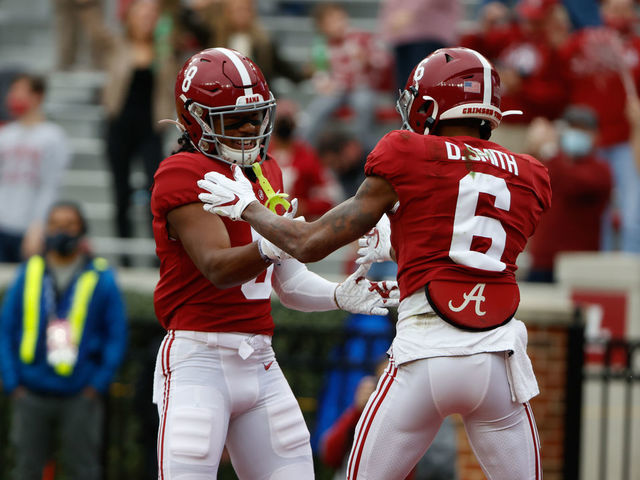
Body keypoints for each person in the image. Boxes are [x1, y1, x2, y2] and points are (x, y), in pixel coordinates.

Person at [199, 46, 552, 479]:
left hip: (426, 356)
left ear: (430, 104)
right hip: (499, 364)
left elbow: (308, 244)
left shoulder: (408, 152)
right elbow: (468, 248)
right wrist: (400, 239)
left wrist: (249, 207)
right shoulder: (530, 172)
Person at [150, 47, 399, 479]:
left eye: (255, 117)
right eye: (234, 119)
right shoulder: (182, 171)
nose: (249, 129)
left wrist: (338, 295)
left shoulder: (265, 174)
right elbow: (217, 267)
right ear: (196, 118)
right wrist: (273, 245)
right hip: (198, 359)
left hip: (259, 358)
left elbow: (286, 282)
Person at [0, 201, 128, 480]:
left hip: (80, 394)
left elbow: (116, 336)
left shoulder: (101, 276)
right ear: (46, 230)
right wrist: (13, 383)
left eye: (69, 225)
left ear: (81, 229)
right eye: (55, 224)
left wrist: (97, 384)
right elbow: (6, 328)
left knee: (84, 470)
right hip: (30, 392)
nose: (62, 231)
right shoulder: (29, 272)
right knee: (25, 470)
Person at [559, 0, 640, 252]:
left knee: (632, 214)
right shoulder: (580, 42)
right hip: (589, 142)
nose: (618, 16)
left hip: (626, 141)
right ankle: (596, 268)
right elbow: (559, 73)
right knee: (595, 212)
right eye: (613, 10)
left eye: (624, 10)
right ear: (602, 11)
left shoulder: (636, 46)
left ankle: (631, 270)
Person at [102, 0, 176, 256]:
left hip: (150, 130)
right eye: (141, 14)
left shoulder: (165, 50)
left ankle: (159, 254)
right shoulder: (116, 45)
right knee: (121, 192)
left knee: (155, 192)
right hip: (118, 126)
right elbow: (93, 29)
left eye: (152, 14)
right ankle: (125, 256)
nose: (147, 19)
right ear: (129, 18)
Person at [526, 107, 612, 282]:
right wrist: (533, 149)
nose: (577, 134)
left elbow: (573, 181)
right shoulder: (552, 162)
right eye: (572, 128)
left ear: (596, 136)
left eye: (583, 129)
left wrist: (549, 149)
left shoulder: (600, 170)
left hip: (578, 268)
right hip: (542, 262)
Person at [0, 73, 71, 263]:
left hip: (29, 228)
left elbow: (51, 185)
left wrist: (38, 225)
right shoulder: (5, 134)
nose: (13, 97)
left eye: (19, 91)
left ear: (38, 96)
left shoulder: (53, 136)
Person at [299, 2, 389, 150]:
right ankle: (304, 149)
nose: (337, 25)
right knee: (316, 109)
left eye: (339, 19)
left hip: (362, 87)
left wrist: (368, 59)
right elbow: (319, 72)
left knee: (364, 106)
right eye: (330, 22)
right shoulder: (321, 47)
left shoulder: (361, 37)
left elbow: (383, 60)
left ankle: (368, 150)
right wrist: (322, 83)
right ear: (321, 27)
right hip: (337, 90)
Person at [378, 0, 462, 91]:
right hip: (403, 36)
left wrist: (408, 12)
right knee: (406, 88)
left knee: (421, 87)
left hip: (429, 35)